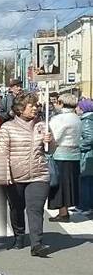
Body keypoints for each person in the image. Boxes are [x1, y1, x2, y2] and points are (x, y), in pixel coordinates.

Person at [0, 92, 53, 256]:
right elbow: (2, 153)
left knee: (35, 209)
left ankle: (37, 244)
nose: (35, 108)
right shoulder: (7, 127)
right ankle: (19, 235)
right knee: (16, 208)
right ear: (21, 109)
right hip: (15, 176)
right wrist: (5, 174)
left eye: (36, 105)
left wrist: (50, 141)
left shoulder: (42, 126)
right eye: (32, 105)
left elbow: (51, 150)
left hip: (39, 174)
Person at [48, 92, 81, 222]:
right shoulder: (76, 118)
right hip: (74, 154)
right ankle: (65, 210)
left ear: (61, 103)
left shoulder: (59, 119)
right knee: (69, 184)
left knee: (59, 184)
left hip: (60, 154)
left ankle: (62, 211)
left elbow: (55, 137)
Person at [78, 97, 93, 214]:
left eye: (79, 107)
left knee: (86, 180)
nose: (77, 109)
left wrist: (78, 146)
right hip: (89, 154)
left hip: (87, 155)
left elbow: (89, 138)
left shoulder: (87, 121)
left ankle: (86, 206)